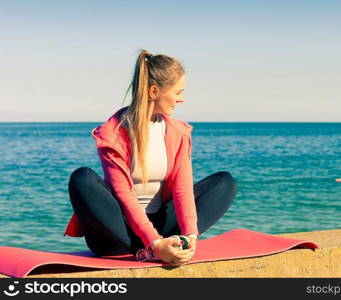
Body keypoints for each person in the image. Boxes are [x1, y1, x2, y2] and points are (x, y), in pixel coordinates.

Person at [63, 49, 237, 266]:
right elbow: (123, 194)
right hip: (118, 234)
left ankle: (172, 243)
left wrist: (190, 235)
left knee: (224, 182)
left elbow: (182, 189)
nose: (181, 99)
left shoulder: (178, 132)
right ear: (154, 91)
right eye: (178, 92)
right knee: (82, 178)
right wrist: (154, 242)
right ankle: (149, 248)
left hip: (162, 227)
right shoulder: (113, 134)